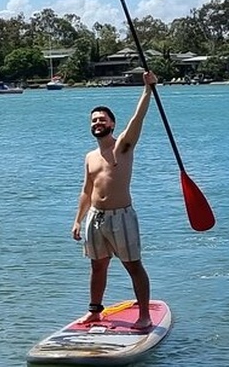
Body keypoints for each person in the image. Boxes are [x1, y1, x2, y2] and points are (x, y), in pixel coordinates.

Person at [71, 70, 158, 330]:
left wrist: (148, 90)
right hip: (94, 218)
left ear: (112, 124)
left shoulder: (122, 147)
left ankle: (145, 315)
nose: (98, 123)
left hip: (121, 216)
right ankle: (95, 311)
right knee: (97, 267)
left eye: (103, 120)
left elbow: (137, 119)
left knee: (133, 266)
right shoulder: (90, 156)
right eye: (94, 120)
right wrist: (77, 220)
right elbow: (86, 190)